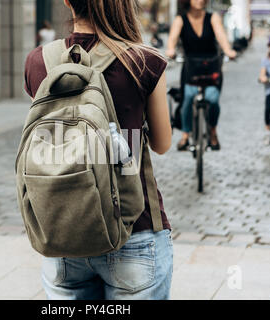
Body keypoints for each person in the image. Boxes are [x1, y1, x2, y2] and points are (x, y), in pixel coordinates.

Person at [24, 0, 173, 300]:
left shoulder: (39, 62)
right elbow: (162, 144)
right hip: (134, 231)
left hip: (63, 230)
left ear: (67, 2)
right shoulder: (143, 61)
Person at [166, 0, 237, 151]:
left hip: (211, 66)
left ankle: (212, 132)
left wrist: (228, 50)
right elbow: (172, 39)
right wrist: (170, 50)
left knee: (213, 99)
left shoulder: (213, 18)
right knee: (187, 99)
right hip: (191, 67)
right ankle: (185, 135)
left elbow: (221, 37)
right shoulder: (181, 19)